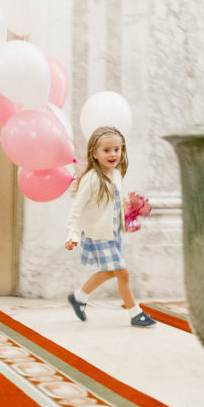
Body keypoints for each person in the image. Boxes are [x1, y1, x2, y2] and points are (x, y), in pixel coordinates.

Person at [64, 125, 155, 328]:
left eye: (117, 149)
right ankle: (135, 313)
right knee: (122, 273)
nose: (113, 154)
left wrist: (130, 205)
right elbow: (76, 209)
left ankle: (78, 297)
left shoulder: (114, 174)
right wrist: (72, 234)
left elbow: (110, 200)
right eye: (107, 150)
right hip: (99, 235)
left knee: (110, 271)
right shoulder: (91, 179)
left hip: (112, 233)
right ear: (94, 154)